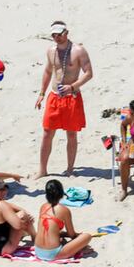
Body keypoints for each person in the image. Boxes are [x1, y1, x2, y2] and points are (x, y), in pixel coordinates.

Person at [35, 21, 94, 178]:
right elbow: (48, 71)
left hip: (71, 97)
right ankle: (42, 170)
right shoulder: (51, 51)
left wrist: (73, 86)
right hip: (54, 96)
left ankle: (70, 169)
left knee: (71, 134)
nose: (57, 38)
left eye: (59, 34)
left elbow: (88, 73)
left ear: (66, 33)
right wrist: (41, 93)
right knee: (47, 132)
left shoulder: (78, 51)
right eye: (54, 35)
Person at [34, 180, 92, 261]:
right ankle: (77, 250)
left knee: (56, 232)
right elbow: (72, 235)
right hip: (53, 254)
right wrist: (78, 239)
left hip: (37, 250)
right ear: (61, 193)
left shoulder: (43, 206)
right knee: (87, 236)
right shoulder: (64, 210)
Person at [0, 178, 36, 256]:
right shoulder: (1, 205)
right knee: (22, 216)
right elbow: (18, 225)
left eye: (5, 189)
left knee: (19, 215)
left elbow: (10, 206)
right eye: (0, 189)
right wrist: (27, 220)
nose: (4, 191)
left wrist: (25, 213)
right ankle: (34, 236)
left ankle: (29, 233)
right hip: (1, 250)